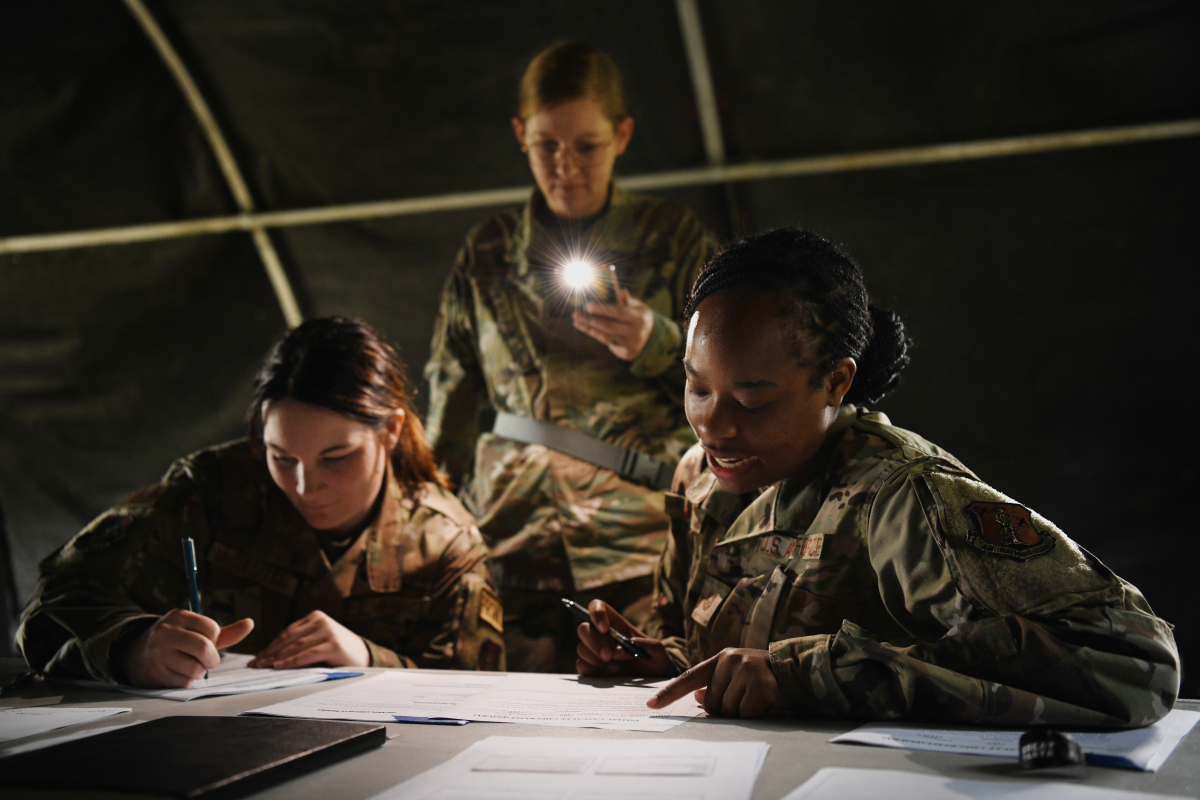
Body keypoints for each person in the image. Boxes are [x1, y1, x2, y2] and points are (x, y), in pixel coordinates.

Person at [575, 228, 1180, 726]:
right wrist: (661, 659)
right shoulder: (702, 480)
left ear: (837, 382)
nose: (714, 424)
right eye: (697, 386)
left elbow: (1131, 659)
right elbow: (738, 651)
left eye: (752, 400)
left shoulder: (900, 497)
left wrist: (812, 677)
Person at [424, 42, 718, 671]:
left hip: (642, 542)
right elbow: (451, 395)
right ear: (519, 137)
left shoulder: (675, 239)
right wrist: (433, 511)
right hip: (514, 540)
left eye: (586, 146)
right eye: (545, 146)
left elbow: (738, 388)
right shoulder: (489, 253)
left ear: (622, 135)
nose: (565, 167)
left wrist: (658, 341)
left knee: (651, 702)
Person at [18, 318, 504, 687]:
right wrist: (132, 648)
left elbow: (478, 693)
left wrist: (368, 659)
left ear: (392, 431)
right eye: (281, 457)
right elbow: (53, 604)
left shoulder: (446, 543)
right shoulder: (211, 493)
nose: (306, 486)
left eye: (336, 458)